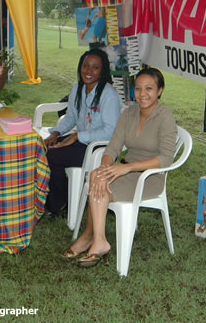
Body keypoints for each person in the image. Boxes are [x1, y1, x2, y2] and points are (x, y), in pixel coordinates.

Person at [61, 67, 177, 267]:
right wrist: (105, 167)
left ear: (159, 90)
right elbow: (113, 147)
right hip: (125, 170)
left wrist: (127, 168)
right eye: (138, 89)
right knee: (98, 177)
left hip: (149, 178)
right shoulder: (129, 113)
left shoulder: (165, 117)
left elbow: (166, 159)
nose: (143, 94)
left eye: (149, 88)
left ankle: (95, 240)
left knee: (101, 187)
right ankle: (95, 239)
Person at [44, 49, 121, 215]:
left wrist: (77, 136)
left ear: (103, 71)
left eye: (95, 67)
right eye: (85, 65)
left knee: (52, 156)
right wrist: (55, 133)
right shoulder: (78, 88)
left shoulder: (109, 95)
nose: (88, 71)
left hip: (99, 148)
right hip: (80, 142)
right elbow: (70, 117)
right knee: (43, 148)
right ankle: (59, 196)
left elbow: (110, 131)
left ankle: (61, 203)